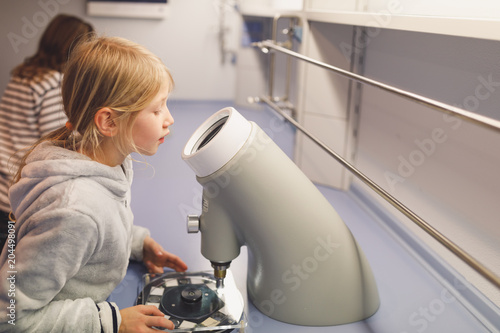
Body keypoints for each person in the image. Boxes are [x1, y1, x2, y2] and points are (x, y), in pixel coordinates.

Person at [0, 35, 188, 332]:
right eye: (157, 109)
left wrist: (135, 242)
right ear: (109, 122)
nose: (170, 119)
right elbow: (9, 318)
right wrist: (110, 322)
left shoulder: (110, 160)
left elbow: (102, 222)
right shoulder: (73, 210)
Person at [0, 14, 94, 251]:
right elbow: (59, 141)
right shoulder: (54, 84)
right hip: (18, 191)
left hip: (4, 180)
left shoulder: (24, 74)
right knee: (13, 267)